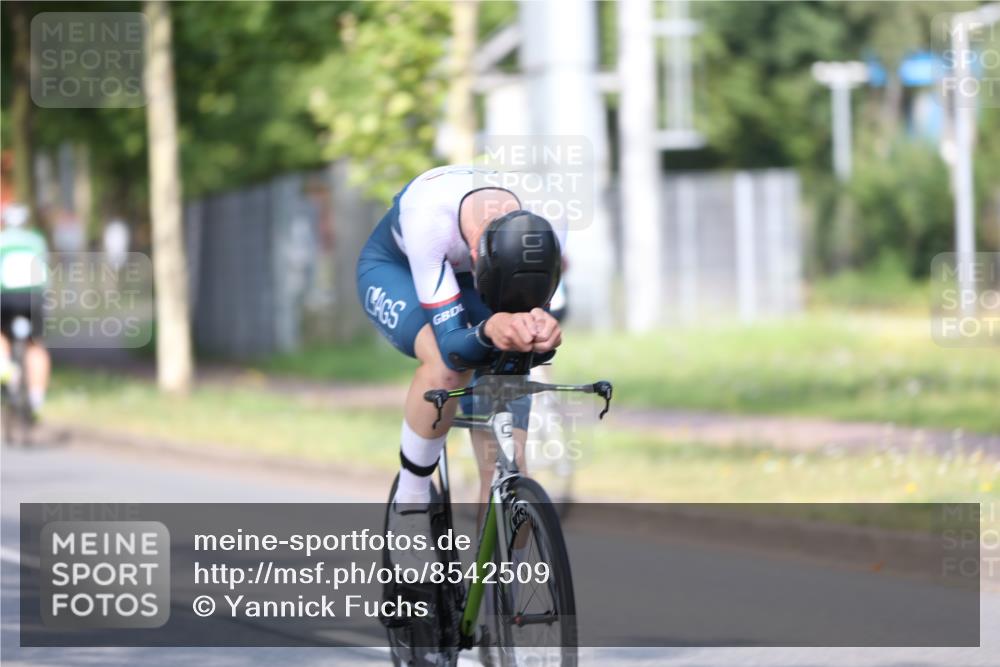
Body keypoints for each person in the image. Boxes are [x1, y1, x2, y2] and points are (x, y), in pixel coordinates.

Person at [356, 165, 565, 549]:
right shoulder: (428, 219)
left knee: (511, 509)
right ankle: (412, 499)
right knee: (446, 367)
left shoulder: (547, 219)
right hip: (399, 270)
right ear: (473, 251)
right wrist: (488, 330)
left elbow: (542, 307)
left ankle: (496, 598)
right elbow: (454, 346)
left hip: (483, 280)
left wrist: (543, 330)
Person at [0, 203, 51, 417]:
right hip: (34, 297)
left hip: (6, 297)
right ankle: (36, 398)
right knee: (35, 344)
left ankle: (5, 367)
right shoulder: (37, 240)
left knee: (2, 334)